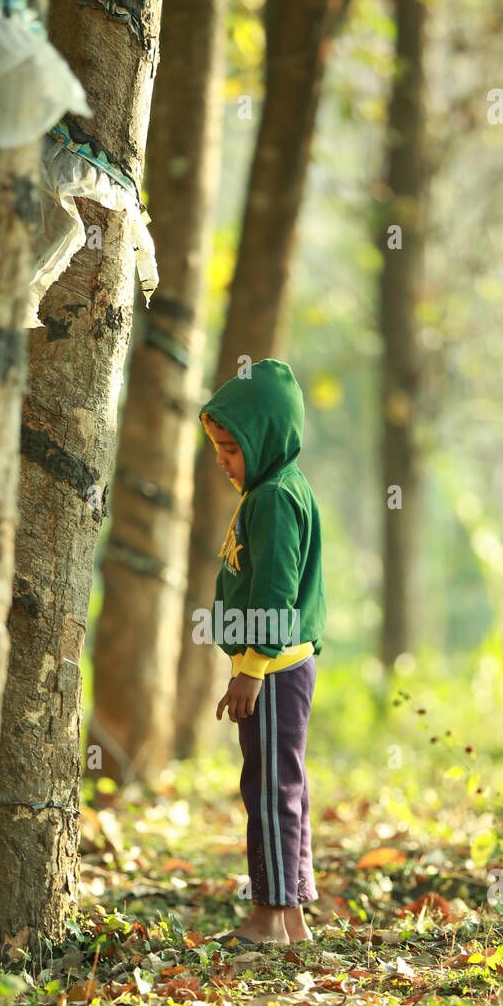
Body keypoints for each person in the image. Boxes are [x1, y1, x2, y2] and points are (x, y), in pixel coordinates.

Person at [200, 359, 326, 946]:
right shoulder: (275, 488)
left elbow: (277, 591)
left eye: (231, 448)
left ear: (265, 439)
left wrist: (249, 671)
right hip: (277, 665)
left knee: (269, 791)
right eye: (218, 448)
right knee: (283, 786)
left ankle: (269, 916)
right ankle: (294, 918)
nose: (222, 460)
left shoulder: (275, 498)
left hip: (272, 669)